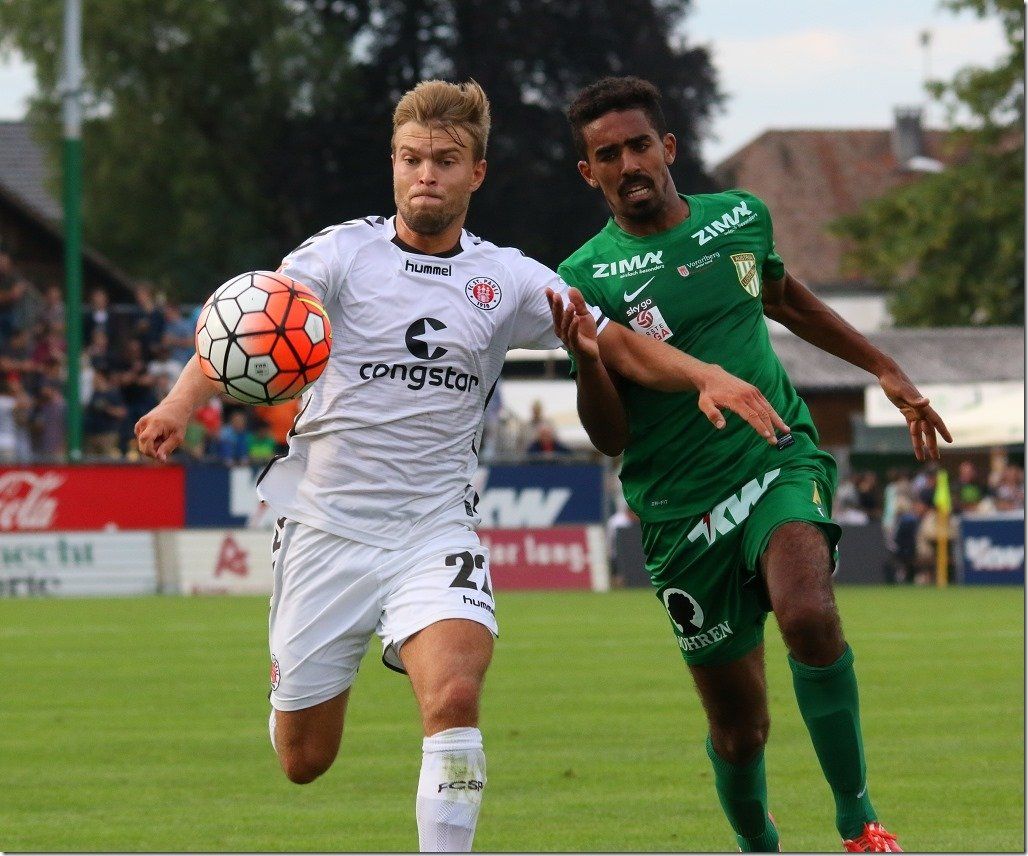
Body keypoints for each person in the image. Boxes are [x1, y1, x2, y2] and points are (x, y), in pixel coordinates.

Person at [135, 79, 790, 852]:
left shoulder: (508, 278)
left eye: (445, 161)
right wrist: (179, 404)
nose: (426, 175)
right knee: (303, 760)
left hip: (434, 529)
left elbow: (615, 342)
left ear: (476, 172)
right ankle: (293, 688)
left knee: (452, 697)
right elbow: (253, 326)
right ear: (393, 164)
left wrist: (704, 374)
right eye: (411, 159)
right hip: (324, 529)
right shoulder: (340, 253)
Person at [551, 76, 952, 853]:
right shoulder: (583, 277)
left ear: (668, 147)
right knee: (741, 731)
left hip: (775, 457)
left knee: (808, 615)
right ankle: (758, 844)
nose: (629, 163)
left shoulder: (740, 217)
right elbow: (609, 436)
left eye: (639, 145)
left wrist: (883, 366)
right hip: (679, 512)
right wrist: (590, 361)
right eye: (608, 155)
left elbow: (787, 300)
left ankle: (859, 821)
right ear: (588, 173)